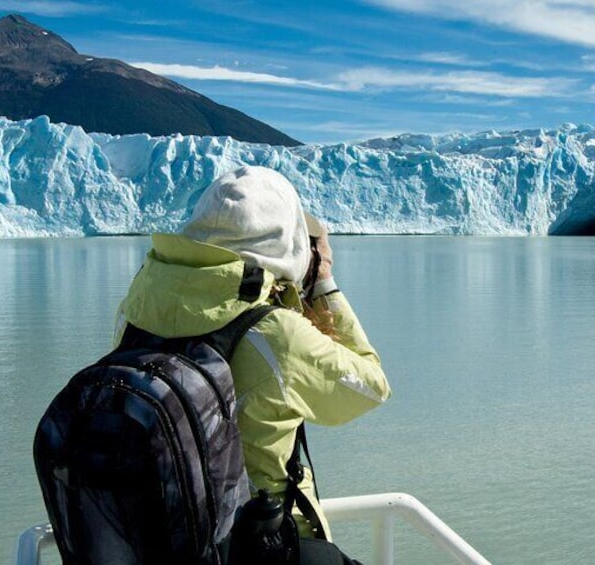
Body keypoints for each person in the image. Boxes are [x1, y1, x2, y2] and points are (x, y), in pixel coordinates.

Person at [114, 165, 391, 545]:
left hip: (156, 539)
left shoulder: (140, 308)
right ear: (286, 240)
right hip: (255, 543)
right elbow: (371, 387)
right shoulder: (275, 333)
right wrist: (322, 281)